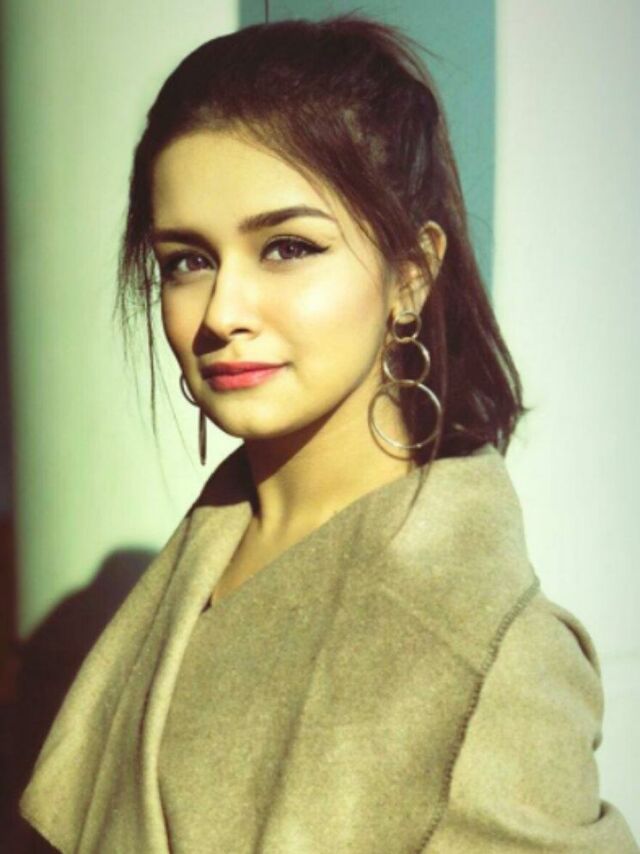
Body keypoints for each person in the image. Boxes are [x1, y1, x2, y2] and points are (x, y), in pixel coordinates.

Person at [19, 14, 638, 853]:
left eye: (286, 247)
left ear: (410, 274)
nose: (222, 313)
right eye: (187, 261)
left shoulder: (492, 660)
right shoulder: (201, 557)